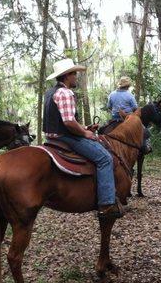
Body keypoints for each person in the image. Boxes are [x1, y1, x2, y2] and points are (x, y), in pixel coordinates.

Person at [43, 58, 121, 219]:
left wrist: (85, 128)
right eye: (74, 74)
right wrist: (85, 133)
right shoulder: (65, 93)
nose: (76, 77)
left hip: (53, 137)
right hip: (66, 137)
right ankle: (107, 204)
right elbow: (69, 122)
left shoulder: (51, 92)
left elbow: (63, 120)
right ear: (67, 76)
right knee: (105, 158)